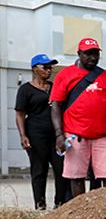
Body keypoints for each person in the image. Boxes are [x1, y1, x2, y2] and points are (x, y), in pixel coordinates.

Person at [51, 38, 106, 197]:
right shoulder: (65, 75)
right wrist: (58, 134)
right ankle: (81, 214)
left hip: (103, 136)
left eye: (96, 54)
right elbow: (56, 105)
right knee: (77, 178)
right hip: (75, 135)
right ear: (79, 54)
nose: (92, 57)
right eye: (88, 54)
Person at [15, 54, 69, 210]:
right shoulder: (25, 89)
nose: (48, 70)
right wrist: (23, 135)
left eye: (50, 67)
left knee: (61, 168)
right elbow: (20, 114)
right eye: (45, 67)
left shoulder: (54, 87)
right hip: (35, 134)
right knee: (39, 170)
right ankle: (40, 204)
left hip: (56, 135)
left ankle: (60, 203)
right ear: (34, 69)